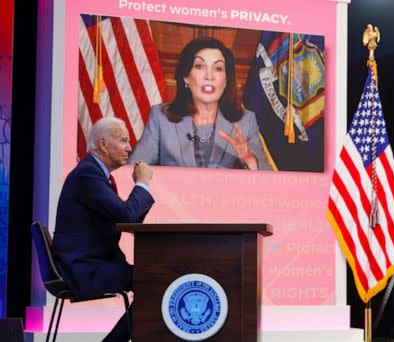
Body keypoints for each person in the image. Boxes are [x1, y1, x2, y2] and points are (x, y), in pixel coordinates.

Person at [52, 117, 155, 341]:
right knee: (153, 280)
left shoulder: (95, 174)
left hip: (93, 264)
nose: (130, 147)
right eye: (123, 141)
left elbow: (129, 220)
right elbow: (128, 215)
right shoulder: (87, 175)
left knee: (153, 278)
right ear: (104, 144)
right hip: (83, 270)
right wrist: (143, 183)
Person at [128, 38, 271, 170]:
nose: (209, 76)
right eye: (199, 66)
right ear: (186, 77)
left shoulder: (246, 121)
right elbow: (132, 170)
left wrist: (250, 161)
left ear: (226, 80)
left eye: (218, 68)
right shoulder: (161, 118)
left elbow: (270, 183)